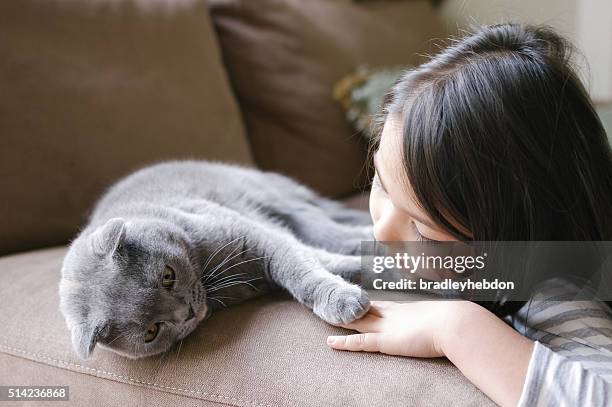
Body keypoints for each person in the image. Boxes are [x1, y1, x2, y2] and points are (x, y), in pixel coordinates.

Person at [326, 23, 612, 406]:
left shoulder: (555, 290)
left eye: (423, 229)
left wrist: (458, 327)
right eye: (380, 183)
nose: (381, 231)